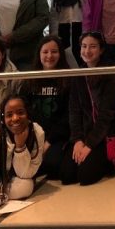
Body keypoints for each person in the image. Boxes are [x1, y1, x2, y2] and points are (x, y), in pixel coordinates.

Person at [60, 31, 115, 186]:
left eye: (93, 47)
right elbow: (74, 112)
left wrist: (89, 145)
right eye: (84, 46)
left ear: (101, 50)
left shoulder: (110, 74)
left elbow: (107, 116)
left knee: (85, 176)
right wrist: (77, 141)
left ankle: (109, 163)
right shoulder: (79, 74)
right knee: (66, 176)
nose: (87, 51)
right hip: (84, 133)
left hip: (104, 135)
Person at [21, 35, 71, 179]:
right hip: (33, 135)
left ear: (60, 54)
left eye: (54, 52)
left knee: (53, 165)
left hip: (56, 137)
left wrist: (48, 141)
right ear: (39, 54)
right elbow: (24, 112)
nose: (49, 56)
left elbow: (67, 117)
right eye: (45, 52)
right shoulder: (29, 81)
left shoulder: (68, 80)